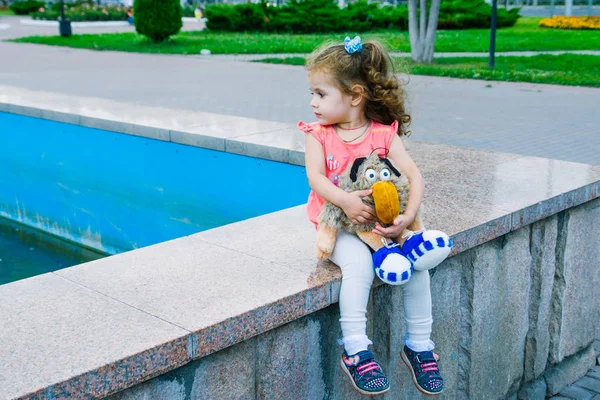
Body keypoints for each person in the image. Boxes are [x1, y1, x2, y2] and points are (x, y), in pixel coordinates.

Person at [298, 36, 444, 396]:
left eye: (321, 93)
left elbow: (413, 176)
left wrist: (407, 217)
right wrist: (346, 201)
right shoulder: (318, 135)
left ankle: (420, 345)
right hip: (338, 227)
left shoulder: (383, 134)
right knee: (359, 267)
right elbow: (316, 178)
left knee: (418, 267)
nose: (313, 103)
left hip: (382, 225)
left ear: (355, 96)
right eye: (312, 94)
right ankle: (356, 349)